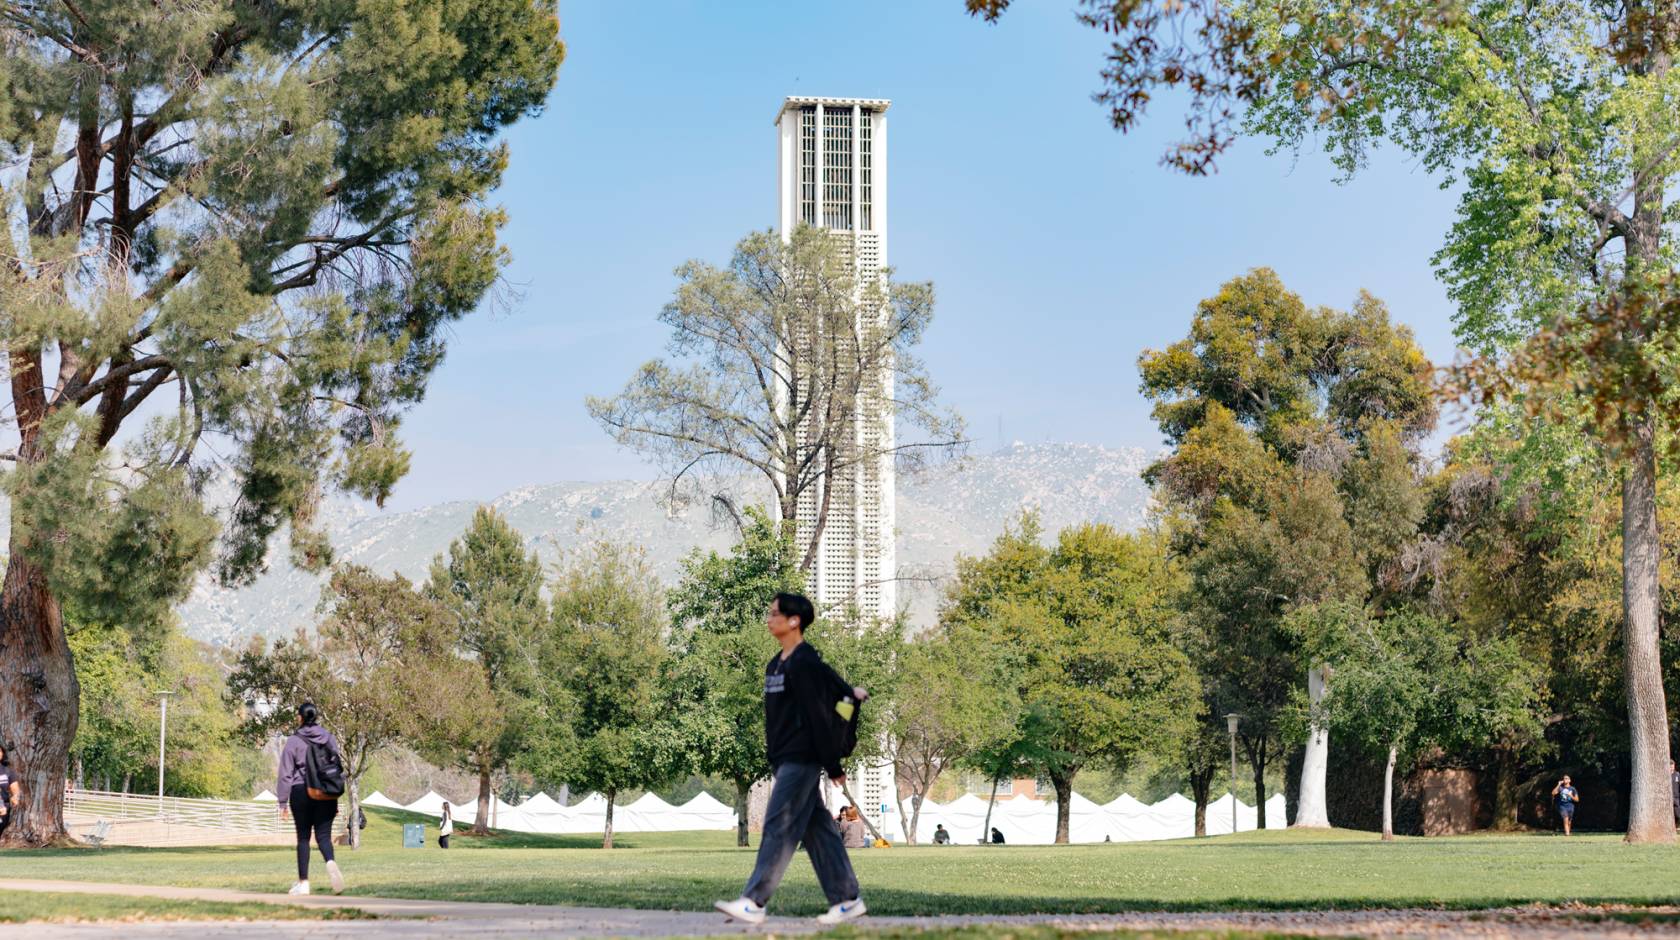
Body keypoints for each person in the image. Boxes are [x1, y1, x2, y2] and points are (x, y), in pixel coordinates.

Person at [715, 592, 868, 927]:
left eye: (774, 614)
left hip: (803, 757)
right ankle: (847, 900)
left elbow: (824, 712)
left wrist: (833, 764)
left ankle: (754, 901)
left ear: (794, 621)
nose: (769, 619)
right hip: (783, 758)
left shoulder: (806, 663)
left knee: (778, 825)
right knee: (818, 831)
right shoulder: (777, 664)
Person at [277, 703, 345, 895]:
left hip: (301, 792)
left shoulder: (294, 741)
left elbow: (285, 774)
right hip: (325, 793)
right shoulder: (329, 738)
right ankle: (330, 861)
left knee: (304, 838)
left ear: (300, 717)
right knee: (324, 837)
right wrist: (335, 799)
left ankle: (303, 883)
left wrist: (282, 802)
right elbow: (335, 769)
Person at [0, 744, 21, 840]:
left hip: (3, 808)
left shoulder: (8, 772)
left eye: (0, 751)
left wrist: (15, 797)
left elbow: (15, 790)